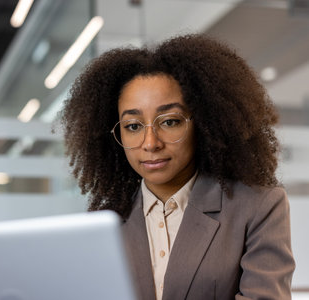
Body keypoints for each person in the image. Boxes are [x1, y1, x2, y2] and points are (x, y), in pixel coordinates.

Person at [59, 34, 295, 300]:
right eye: (133, 126)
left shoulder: (258, 207)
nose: (150, 143)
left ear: (205, 124)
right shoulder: (104, 226)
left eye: (170, 122)